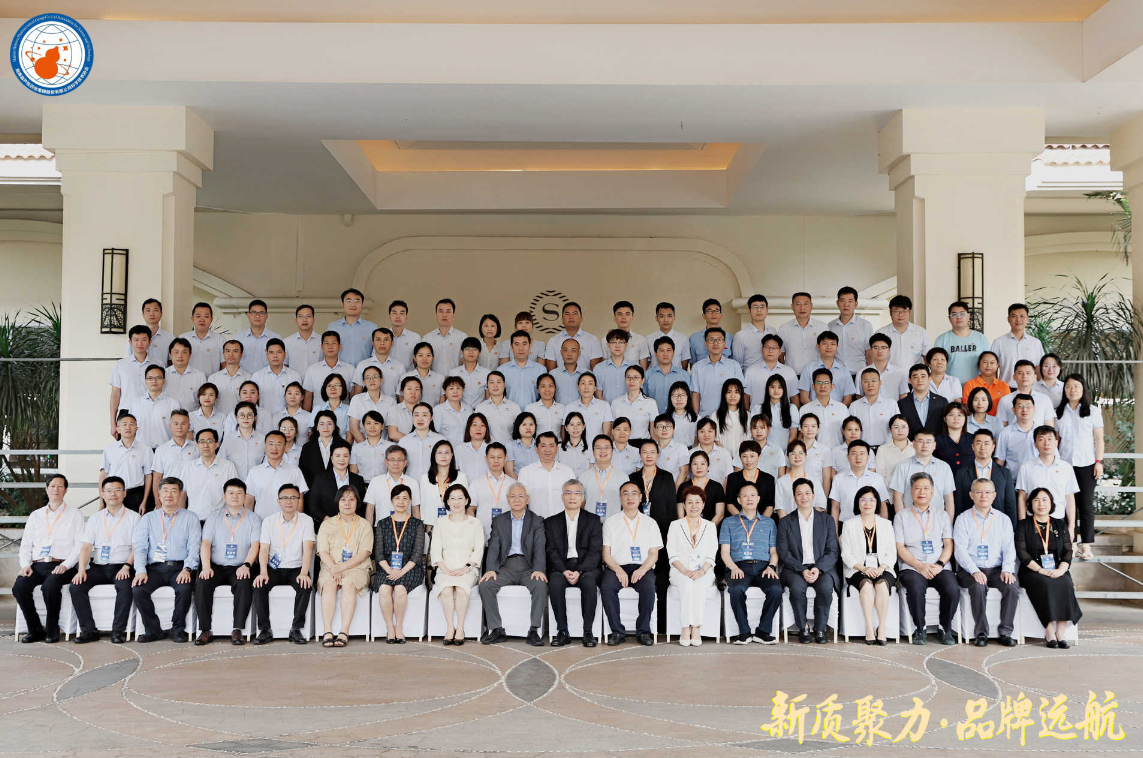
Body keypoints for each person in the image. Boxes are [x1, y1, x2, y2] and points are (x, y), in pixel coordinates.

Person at [68, 477, 140, 643]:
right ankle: (88, 631)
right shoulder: (96, 518)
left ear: (124, 493)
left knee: (126, 587)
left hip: (122, 567)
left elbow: (137, 547)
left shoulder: (134, 517)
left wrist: (127, 566)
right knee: (76, 586)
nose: (113, 494)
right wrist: (81, 570)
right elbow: (86, 547)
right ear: (102, 494)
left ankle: (118, 631)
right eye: (108, 490)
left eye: (117, 490)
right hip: (99, 566)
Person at [13, 475, 84, 643]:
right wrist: (25, 565)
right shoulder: (35, 515)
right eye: (52, 486)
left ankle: (52, 630)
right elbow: (26, 545)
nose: (55, 489)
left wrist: (66, 565)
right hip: (37, 565)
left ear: (65, 490)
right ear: (46, 489)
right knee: (19, 587)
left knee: (50, 586)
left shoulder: (75, 514)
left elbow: (80, 544)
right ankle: (35, 629)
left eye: (60, 486)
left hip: (63, 565)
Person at [131, 477, 202, 643]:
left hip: (180, 567)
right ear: (159, 494)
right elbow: (140, 547)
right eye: (165, 491)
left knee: (184, 589)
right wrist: (140, 570)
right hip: (154, 568)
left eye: (173, 491)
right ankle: (153, 630)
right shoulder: (148, 518)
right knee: (138, 590)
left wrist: (187, 569)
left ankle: (177, 629)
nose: (169, 495)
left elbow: (194, 547)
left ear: (180, 494)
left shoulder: (191, 517)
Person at [479, 483, 548, 646]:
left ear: (527, 499)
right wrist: (491, 569)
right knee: (485, 585)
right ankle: (496, 629)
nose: (516, 500)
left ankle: (533, 630)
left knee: (540, 585)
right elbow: (494, 546)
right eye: (513, 496)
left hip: (528, 567)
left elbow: (540, 546)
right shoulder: (499, 520)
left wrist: (539, 569)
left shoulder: (536, 520)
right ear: (508, 499)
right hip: (506, 566)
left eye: (520, 496)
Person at [953, 478, 1019, 646]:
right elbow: (960, 550)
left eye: (988, 492)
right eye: (979, 492)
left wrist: (1007, 570)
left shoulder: (1003, 519)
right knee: (978, 586)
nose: (984, 496)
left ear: (994, 495)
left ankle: (1005, 632)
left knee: (1012, 586)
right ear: (971, 495)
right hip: (970, 570)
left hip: (997, 569)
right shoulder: (963, 519)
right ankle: (981, 633)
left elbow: (1009, 549)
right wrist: (974, 570)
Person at [194, 479, 262, 645]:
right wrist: (206, 567)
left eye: (239, 493)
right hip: (216, 566)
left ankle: (237, 630)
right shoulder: (213, 517)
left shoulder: (254, 519)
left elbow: (255, 545)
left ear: (245, 496)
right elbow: (205, 543)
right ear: (224, 496)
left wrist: (247, 565)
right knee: (202, 582)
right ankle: (205, 630)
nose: (235, 496)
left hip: (241, 566)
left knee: (244, 582)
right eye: (231, 493)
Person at [894, 472, 958, 645]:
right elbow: (900, 547)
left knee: (952, 589)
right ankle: (920, 628)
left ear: (932, 492)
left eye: (926, 488)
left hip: (939, 565)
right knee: (915, 588)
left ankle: (945, 628)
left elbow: (948, 544)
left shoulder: (942, 515)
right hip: (912, 566)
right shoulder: (901, 516)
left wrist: (939, 564)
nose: (921, 492)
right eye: (917, 488)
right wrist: (919, 566)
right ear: (911, 492)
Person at [1016, 487, 1082, 648]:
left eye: (1045, 500)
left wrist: (1061, 569)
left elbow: (1068, 550)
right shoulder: (1023, 525)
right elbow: (1022, 552)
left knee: (1065, 583)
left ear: (1051, 504)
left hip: (1057, 568)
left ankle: (1060, 633)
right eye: (1036, 500)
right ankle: (1049, 631)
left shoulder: (1059, 524)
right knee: (1045, 583)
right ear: (1030, 504)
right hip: (1032, 570)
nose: (1041, 504)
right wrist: (1041, 570)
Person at [776, 479, 839, 643]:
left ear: (813, 495)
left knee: (825, 588)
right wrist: (801, 569)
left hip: (821, 567)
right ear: (794, 497)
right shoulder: (785, 522)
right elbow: (783, 552)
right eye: (799, 494)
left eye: (807, 493)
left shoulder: (827, 520)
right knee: (797, 589)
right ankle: (803, 627)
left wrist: (818, 568)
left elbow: (833, 551)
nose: (804, 497)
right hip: (795, 568)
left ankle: (820, 628)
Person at [601, 482, 663, 646]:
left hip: (642, 567)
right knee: (607, 586)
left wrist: (642, 569)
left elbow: (654, 554)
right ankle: (617, 632)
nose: (630, 497)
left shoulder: (650, 523)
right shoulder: (610, 522)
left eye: (634, 493)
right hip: (616, 566)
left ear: (640, 497)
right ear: (620, 497)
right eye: (625, 493)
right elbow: (606, 554)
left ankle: (643, 631)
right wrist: (618, 570)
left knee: (648, 587)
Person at [250, 484, 313, 645]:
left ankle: (296, 629)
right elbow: (264, 549)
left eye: (293, 498)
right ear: (278, 501)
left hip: (296, 568)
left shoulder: (306, 520)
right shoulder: (269, 521)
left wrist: (304, 572)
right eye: (285, 498)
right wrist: (263, 572)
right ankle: (265, 630)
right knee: (259, 585)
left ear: (299, 501)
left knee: (305, 585)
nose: (289, 501)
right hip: (273, 568)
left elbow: (308, 549)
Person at [545, 479, 604, 647]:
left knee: (589, 582)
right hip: (561, 567)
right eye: (568, 493)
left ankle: (588, 632)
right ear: (562, 497)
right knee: (555, 582)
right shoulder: (551, 522)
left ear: (582, 497)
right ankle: (562, 631)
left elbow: (595, 551)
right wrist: (564, 570)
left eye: (577, 493)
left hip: (586, 567)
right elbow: (550, 551)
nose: (572, 497)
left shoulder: (593, 520)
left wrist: (579, 571)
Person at [721, 482, 782, 644]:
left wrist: (771, 567)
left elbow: (774, 551)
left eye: (752, 495)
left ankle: (763, 631)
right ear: (739, 500)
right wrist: (733, 567)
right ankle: (744, 632)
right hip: (739, 567)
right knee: (735, 589)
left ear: (758, 499)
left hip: (763, 567)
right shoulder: (728, 522)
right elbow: (724, 552)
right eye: (745, 496)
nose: (749, 499)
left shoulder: (769, 522)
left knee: (776, 589)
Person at [316, 486, 374, 647]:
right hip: (330, 567)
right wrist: (334, 568)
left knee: (348, 584)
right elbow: (322, 551)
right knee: (329, 585)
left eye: (351, 499)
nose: (347, 503)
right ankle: (327, 631)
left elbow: (364, 553)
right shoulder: (327, 524)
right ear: (338, 502)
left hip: (356, 568)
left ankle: (344, 631)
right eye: (343, 499)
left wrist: (341, 568)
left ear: (357, 502)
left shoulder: (364, 525)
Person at [840, 485, 896, 644]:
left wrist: (881, 568)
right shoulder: (849, 525)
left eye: (872, 500)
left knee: (882, 586)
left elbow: (892, 552)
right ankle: (869, 627)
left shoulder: (886, 524)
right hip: (857, 569)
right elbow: (846, 554)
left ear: (877, 503)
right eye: (863, 499)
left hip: (882, 568)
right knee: (866, 586)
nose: (867, 503)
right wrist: (864, 568)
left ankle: (882, 628)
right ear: (857, 503)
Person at [1056, 374, 1104, 560]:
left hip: (1087, 464)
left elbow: (1098, 439)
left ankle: (1086, 545)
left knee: (1086, 505)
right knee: (1067, 506)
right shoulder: (1058, 412)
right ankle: (1071, 543)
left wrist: (1099, 462)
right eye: (1068, 386)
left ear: (1083, 389)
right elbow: (1056, 439)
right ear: (1064, 390)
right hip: (1064, 465)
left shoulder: (1093, 411)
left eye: (1076, 386)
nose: (1072, 390)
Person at [371, 484, 425, 644]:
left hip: (410, 568)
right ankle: (390, 628)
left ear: (410, 501)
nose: (401, 501)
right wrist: (390, 570)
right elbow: (379, 553)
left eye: (405, 498)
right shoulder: (382, 524)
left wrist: (401, 572)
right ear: (391, 500)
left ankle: (399, 628)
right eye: (397, 498)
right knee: (384, 588)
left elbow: (417, 554)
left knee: (400, 588)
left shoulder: (417, 524)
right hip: (386, 567)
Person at [430, 484, 484, 644]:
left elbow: (478, 549)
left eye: (460, 498)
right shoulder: (440, 522)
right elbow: (435, 549)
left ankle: (460, 628)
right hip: (445, 569)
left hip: (468, 570)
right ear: (447, 501)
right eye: (452, 498)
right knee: (446, 590)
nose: (456, 502)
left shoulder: (475, 523)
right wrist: (445, 569)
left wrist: (466, 568)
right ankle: (450, 628)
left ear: (466, 500)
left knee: (461, 589)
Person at [667, 486, 718, 646]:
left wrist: (702, 571)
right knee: (687, 584)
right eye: (690, 502)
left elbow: (712, 553)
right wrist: (684, 570)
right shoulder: (675, 525)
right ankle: (685, 628)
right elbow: (671, 552)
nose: (693, 506)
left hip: (704, 571)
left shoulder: (710, 526)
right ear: (684, 505)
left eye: (697, 502)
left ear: (703, 505)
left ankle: (696, 627)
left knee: (699, 584)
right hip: (679, 571)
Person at [1016, 425, 1079, 541]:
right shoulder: (1026, 467)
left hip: (1059, 520)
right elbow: (1022, 497)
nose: (1046, 443)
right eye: (1041, 439)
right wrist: (1023, 526)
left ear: (1056, 442)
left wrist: (1071, 527)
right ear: (1035, 444)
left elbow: (1070, 498)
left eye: (1050, 439)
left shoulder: (1066, 468)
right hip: (1033, 522)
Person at [954, 429, 1018, 524]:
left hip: (998, 524)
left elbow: (1010, 504)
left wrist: (1012, 528)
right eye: (978, 443)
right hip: (970, 524)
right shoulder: (962, 473)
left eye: (986, 443)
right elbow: (959, 504)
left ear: (993, 447)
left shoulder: (1005, 473)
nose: (982, 447)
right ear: (972, 447)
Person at [889, 430, 956, 517]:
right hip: (910, 518)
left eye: (928, 442)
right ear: (913, 444)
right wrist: (902, 520)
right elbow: (897, 498)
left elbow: (949, 499)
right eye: (920, 441)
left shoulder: (944, 467)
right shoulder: (902, 466)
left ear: (934, 445)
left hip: (937, 519)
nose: (925, 445)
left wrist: (949, 522)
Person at [246, 430, 309, 519]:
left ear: (284, 446)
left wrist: (298, 522)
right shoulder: (254, 472)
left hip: (288, 522)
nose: (274, 448)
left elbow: (300, 500)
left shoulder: (294, 471)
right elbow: (249, 500)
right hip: (261, 522)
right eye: (271, 444)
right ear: (265, 446)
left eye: (279, 444)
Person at [99, 413, 154, 513]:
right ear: (118, 429)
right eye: (124, 424)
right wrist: (101, 502)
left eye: (131, 424)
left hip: (136, 495)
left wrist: (144, 501)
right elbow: (103, 475)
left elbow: (148, 476)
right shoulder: (109, 449)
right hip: (114, 494)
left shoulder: (146, 450)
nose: (128, 427)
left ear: (136, 428)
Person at [182, 428, 238, 521]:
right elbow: (182, 494)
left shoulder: (228, 466)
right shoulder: (188, 467)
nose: (206, 445)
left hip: (220, 520)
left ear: (216, 444)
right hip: (194, 520)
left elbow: (234, 493)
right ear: (197, 445)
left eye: (209, 441)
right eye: (202, 441)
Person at [828, 440, 889, 525]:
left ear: (868, 457)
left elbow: (883, 506)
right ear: (847, 457)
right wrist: (835, 531)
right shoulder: (838, 479)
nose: (858, 457)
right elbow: (835, 507)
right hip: (846, 525)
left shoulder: (877, 478)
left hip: (872, 525)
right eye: (854, 454)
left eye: (862, 454)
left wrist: (884, 528)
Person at [517, 432, 576, 518]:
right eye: (543, 446)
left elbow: (574, 499)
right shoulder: (525, 472)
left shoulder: (567, 471)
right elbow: (521, 502)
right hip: (536, 523)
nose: (547, 450)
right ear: (536, 449)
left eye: (551, 446)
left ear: (557, 449)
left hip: (563, 522)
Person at [690, 328, 745, 419]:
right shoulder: (697, 367)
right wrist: (696, 417)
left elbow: (740, 392)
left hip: (730, 417)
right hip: (706, 417)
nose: (715, 343)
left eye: (719, 340)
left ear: (724, 343)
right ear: (705, 343)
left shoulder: (734, 365)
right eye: (711, 340)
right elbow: (696, 394)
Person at [307, 439, 367, 523]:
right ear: (331, 458)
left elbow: (362, 507)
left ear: (349, 458)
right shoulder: (320, 479)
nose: (342, 459)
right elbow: (313, 505)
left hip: (352, 525)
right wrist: (327, 519)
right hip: (328, 525)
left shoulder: (358, 480)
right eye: (338, 456)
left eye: (345, 456)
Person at [108, 325, 153, 437]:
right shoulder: (120, 365)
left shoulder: (158, 364)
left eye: (144, 340)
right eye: (136, 340)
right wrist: (113, 423)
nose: (140, 343)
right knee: (126, 446)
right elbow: (115, 394)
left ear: (150, 342)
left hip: (151, 411)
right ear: (130, 342)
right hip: (126, 412)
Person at [934, 300, 991, 385]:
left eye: (962, 314)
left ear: (968, 316)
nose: (958, 317)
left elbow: (989, 364)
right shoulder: (941, 340)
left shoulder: (981, 338)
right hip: (949, 387)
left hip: (976, 388)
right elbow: (935, 367)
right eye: (954, 315)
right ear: (949, 318)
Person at [363, 445, 422, 525]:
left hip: (406, 528)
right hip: (381, 528)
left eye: (399, 460)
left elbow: (415, 510)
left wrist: (418, 529)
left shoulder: (412, 483)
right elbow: (370, 509)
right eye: (392, 459)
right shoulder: (375, 481)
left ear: (405, 463)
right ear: (386, 462)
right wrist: (368, 530)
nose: (395, 463)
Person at [126, 365, 180, 450]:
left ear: (164, 380)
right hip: (141, 450)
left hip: (165, 450)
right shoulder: (135, 404)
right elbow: (130, 428)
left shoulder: (173, 404)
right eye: (150, 378)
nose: (154, 381)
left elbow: (178, 430)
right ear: (145, 381)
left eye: (158, 378)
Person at [419, 439, 469, 528]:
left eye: (447, 452)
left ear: (452, 455)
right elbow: (423, 506)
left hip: (456, 524)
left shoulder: (461, 477)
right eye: (439, 453)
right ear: (434, 455)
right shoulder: (425, 478)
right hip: (432, 524)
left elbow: (465, 504)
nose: (443, 456)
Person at [992, 303, 1044, 388]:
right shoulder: (998, 342)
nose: (1018, 320)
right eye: (1014, 316)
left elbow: (1039, 368)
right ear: (1008, 319)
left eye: (1022, 316)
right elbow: (993, 369)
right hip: (1006, 389)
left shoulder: (1035, 343)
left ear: (1027, 319)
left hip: (1031, 389)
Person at [797, 332, 857, 406]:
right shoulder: (808, 369)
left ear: (837, 347)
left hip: (838, 412)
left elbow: (848, 399)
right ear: (818, 346)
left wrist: (838, 410)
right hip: (814, 411)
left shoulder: (844, 371)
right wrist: (815, 410)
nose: (829, 347)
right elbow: (804, 397)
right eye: (824, 343)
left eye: (832, 344)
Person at [777, 293, 828, 377]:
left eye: (806, 304)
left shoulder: (822, 327)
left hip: (817, 376)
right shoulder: (784, 328)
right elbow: (780, 354)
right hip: (792, 376)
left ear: (811, 306)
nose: (802, 308)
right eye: (798, 304)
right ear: (792, 306)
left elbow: (827, 352)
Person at [875, 295, 931, 371]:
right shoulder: (881, 333)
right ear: (890, 312)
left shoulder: (921, 332)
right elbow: (875, 358)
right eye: (896, 311)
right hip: (889, 376)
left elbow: (927, 357)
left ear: (909, 312)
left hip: (914, 376)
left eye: (904, 311)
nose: (900, 314)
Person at [302, 331, 354, 412]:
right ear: (322, 347)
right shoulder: (312, 370)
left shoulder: (350, 369)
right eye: (327, 343)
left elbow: (353, 397)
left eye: (333, 343)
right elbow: (308, 397)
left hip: (343, 416)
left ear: (339, 346)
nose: (330, 347)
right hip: (319, 416)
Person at [829, 286, 874, 378]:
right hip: (837, 375)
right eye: (842, 301)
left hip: (859, 375)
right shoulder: (830, 326)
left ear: (856, 304)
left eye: (850, 301)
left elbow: (869, 352)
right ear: (837, 303)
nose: (846, 305)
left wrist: (871, 374)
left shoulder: (865, 325)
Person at [544, 302, 602, 372]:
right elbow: (551, 372)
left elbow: (595, 371)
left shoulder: (593, 340)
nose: (571, 317)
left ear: (581, 318)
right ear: (562, 319)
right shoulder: (553, 341)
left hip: (585, 378)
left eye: (575, 313)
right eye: (567, 314)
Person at [327, 288, 379, 367]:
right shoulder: (333, 327)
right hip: (340, 371)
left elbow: (376, 353)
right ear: (343, 304)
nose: (353, 304)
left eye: (357, 301)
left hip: (365, 371)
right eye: (349, 301)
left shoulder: (372, 327)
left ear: (362, 304)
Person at [996, 360, 1055, 428]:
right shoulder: (1005, 400)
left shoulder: (1045, 399)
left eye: (1028, 373)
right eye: (1020, 373)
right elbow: (1001, 427)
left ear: (1035, 377)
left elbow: (1049, 427)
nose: (1024, 376)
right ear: (1014, 377)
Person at [775, 440, 826, 516]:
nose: (797, 457)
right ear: (788, 457)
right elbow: (780, 508)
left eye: (801, 453)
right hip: (788, 522)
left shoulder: (814, 480)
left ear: (806, 455)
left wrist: (812, 521)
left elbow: (819, 505)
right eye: (793, 453)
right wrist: (788, 523)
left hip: (812, 521)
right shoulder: (781, 482)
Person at [849, 368, 897, 448]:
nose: (870, 385)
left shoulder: (891, 404)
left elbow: (897, 428)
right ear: (861, 384)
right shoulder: (854, 406)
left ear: (880, 383)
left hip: (886, 449)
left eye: (874, 381)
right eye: (866, 381)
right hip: (862, 450)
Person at [352, 327, 406, 399]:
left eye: (386, 339)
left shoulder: (399, 366)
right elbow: (357, 393)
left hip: (392, 405)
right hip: (368, 405)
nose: (382, 343)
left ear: (392, 343)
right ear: (372, 343)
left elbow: (401, 395)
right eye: (378, 339)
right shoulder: (362, 365)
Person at [252, 338, 302, 415]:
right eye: (271, 352)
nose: (275, 356)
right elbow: (254, 402)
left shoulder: (294, 376)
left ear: (285, 354)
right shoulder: (257, 376)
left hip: (289, 420)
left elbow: (299, 401)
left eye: (279, 352)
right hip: (265, 419)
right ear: (267, 355)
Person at [397, 402, 446, 480]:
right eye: (416, 415)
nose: (420, 419)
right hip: (409, 484)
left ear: (431, 417)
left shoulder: (440, 440)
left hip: (434, 483)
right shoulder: (404, 441)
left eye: (424, 415)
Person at [724, 441, 773, 517]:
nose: (748, 460)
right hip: (738, 521)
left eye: (752, 456)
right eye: (744, 456)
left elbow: (770, 506)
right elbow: (730, 505)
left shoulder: (769, 479)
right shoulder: (732, 478)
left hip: (762, 522)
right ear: (740, 457)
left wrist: (761, 522)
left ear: (759, 456)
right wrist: (743, 520)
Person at [898, 364, 948, 439]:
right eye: (915, 377)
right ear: (910, 380)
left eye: (923, 376)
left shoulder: (942, 402)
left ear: (929, 378)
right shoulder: (902, 404)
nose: (920, 380)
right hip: (911, 444)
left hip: (937, 444)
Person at [801, 370, 849, 448]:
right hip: (814, 453)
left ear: (832, 386)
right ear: (813, 386)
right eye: (819, 382)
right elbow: (801, 436)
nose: (822, 386)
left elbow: (847, 434)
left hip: (837, 452)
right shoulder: (805, 409)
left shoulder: (842, 408)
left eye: (826, 382)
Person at [349, 367, 397, 444]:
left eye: (375, 376)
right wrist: (366, 447)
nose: (371, 380)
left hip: (384, 447)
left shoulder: (391, 402)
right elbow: (354, 429)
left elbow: (391, 431)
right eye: (367, 377)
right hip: (361, 446)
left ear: (381, 380)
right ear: (364, 382)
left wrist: (384, 447)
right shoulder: (357, 399)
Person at [219, 400, 265, 480]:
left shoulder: (263, 439)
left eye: (249, 415)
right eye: (242, 415)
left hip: (257, 483)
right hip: (233, 484)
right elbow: (221, 463)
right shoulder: (228, 440)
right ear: (236, 418)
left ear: (254, 417)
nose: (245, 418)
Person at [498, 331, 546, 408]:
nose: (521, 348)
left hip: (533, 413)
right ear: (511, 347)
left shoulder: (541, 370)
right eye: (517, 344)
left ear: (530, 346)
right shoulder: (502, 370)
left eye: (524, 344)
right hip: (509, 413)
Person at [151, 409, 198, 486]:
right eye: (176, 424)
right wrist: (156, 494)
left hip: (192, 491)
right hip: (170, 492)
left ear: (189, 426)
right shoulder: (161, 450)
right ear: (170, 426)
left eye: (183, 424)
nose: (179, 427)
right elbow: (157, 477)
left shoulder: (197, 447)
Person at [474, 371, 522, 444]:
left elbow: (520, 431)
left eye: (498, 382)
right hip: (487, 449)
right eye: (491, 382)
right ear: (487, 386)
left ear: (504, 385)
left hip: (509, 449)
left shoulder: (514, 407)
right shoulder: (480, 408)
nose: (495, 385)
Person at [583, 436, 625, 520]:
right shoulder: (583, 477)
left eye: (606, 447)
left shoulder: (623, 477)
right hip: (589, 524)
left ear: (612, 451)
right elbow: (580, 503)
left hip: (614, 524)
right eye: (598, 448)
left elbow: (625, 504)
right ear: (593, 451)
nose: (603, 451)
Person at [207, 340, 252, 418]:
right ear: (223, 354)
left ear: (241, 354)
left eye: (235, 351)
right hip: (218, 420)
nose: (231, 354)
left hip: (241, 421)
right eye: (228, 351)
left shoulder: (249, 378)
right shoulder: (213, 378)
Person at [996, 394, 1039, 474]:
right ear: (1014, 410)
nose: (1024, 410)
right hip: (1013, 480)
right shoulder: (1005, 433)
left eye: (1028, 406)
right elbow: (1000, 461)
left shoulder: (1042, 432)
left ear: (1034, 409)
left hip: (1037, 479)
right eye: (1020, 406)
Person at [422, 298, 467, 373]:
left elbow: (465, 362)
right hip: (434, 379)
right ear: (436, 315)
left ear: (453, 315)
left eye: (448, 312)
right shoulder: (427, 338)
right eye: (441, 311)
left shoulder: (462, 337)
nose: (444, 315)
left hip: (456, 379)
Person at [180, 302, 226, 377]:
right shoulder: (183, 338)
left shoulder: (220, 340)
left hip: (211, 382)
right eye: (198, 316)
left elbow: (224, 364)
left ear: (211, 319)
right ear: (192, 318)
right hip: (187, 380)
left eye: (206, 316)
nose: (202, 320)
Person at [731, 294, 777, 368]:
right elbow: (738, 365)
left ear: (767, 310)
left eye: (762, 307)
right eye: (755, 307)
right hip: (749, 375)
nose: (759, 310)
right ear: (749, 310)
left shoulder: (773, 331)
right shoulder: (740, 336)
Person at [645, 337, 689, 414]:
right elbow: (644, 399)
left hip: (678, 418)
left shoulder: (684, 375)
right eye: (661, 350)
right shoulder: (647, 375)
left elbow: (689, 399)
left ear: (673, 353)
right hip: (654, 418)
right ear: (655, 354)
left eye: (668, 350)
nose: (665, 354)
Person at [612, 366, 658, 439]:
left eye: (636, 377)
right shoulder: (616, 403)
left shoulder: (650, 403)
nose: (631, 381)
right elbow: (612, 430)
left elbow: (654, 431)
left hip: (642, 444)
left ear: (643, 380)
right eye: (628, 377)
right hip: (621, 444)